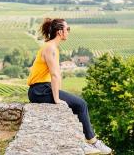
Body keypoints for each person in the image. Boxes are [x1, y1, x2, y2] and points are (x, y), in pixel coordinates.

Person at [27, 18, 112, 155]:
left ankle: (81, 142)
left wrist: (59, 94)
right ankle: (92, 141)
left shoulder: (51, 46)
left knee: (74, 105)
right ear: (60, 32)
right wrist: (57, 99)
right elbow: (55, 75)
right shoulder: (51, 49)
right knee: (81, 104)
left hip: (42, 88)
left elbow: (56, 76)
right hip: (39, 90)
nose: (68, 32)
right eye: (68, 29)